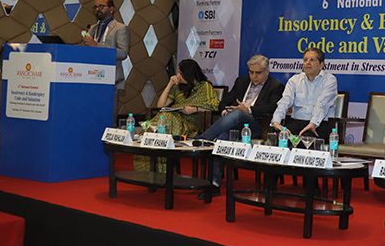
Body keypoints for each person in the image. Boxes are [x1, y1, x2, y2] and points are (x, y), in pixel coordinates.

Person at [197, 55, 285, 196]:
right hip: (233, 126)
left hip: (256, 126)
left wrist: (248, 110)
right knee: (223, 137)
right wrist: (226, 112)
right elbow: (224, 102)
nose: (254, 76)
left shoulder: (275, 86)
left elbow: (272, 107)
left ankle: (203, 139)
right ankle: (213, 184)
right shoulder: (241, 81)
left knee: (238, 113)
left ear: (267, 72)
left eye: (258, 73)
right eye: (251, 72)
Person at [136, 59, 220, 172]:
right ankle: (151, 168)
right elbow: (161, 105)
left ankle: (163, 169)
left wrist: (194, 109)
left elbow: (214, 106)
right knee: (162, 119)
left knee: (166, 119)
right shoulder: (178, 87)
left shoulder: (205, 86)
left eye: (181, 73)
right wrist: (170, 84)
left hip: (194, 122)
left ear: (189, 74)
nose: (178, 76)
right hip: (175, 117)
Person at [271, 47, 338, 140]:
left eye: (312, 60)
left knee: (306, 140)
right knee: (280, 137)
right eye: (305, 60)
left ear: (321, 65)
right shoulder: (294, 80)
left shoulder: (329, 80)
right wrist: (276, 121)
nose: (308, 63)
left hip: (319, 123)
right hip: (297, 122)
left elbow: (322, 104)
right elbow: (285, 101)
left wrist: (312, 123)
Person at [83, 0, 129, 121]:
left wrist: (97, 45)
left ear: (111, 9)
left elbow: (123, 53)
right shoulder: (92, 29)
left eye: (101, 6)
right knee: (90, 116)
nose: (98, 9)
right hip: (90, 78)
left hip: (110, 80)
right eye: (95, 7)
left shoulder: (120, 28)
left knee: (107, 117)